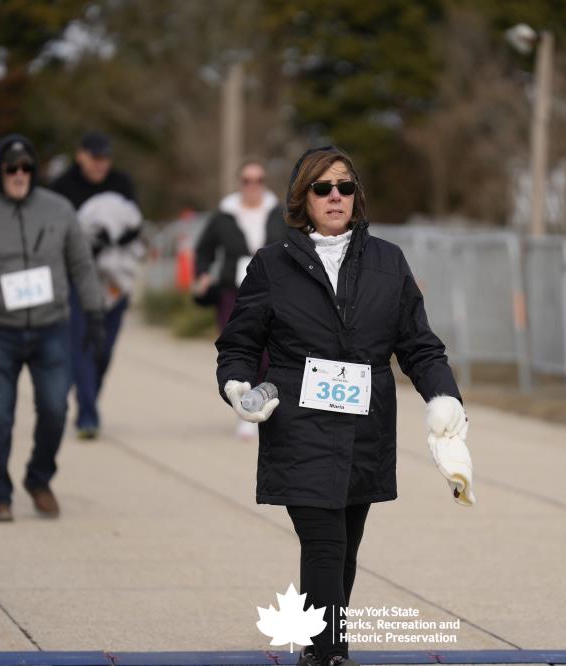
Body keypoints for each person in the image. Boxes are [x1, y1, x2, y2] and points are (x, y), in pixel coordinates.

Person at [215, 146, 476, 666]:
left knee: (345, 547)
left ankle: (320, 648)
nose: (335, 196)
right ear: (303, 198)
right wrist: (238, 385)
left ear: (356, 197)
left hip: (365, 428)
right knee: (324, 541)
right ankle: (329, 653)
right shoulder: (272, 265)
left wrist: (443, 395)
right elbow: (239, 343)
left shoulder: (388, 262)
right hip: (298, 422)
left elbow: (419, 346)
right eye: (322, 187)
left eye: (345, 187)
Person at [0, 134, 105, 522]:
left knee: (55, 410)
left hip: (52, 329)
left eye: (26, 167)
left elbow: (81, 265)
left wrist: (95, 314)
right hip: (1, 331)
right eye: (11, 168)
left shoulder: (59, 210)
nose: (19, 174)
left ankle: (38, 478)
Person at [51, 131, 141, 440]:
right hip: (77, 279)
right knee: (81, 343)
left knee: (104, 349)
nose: (101, 163)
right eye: (95, 157)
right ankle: (87, 415)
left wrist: (110, 238)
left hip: (115, 280)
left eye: (106, 157)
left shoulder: (121, 183)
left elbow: (135, 226)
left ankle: (87, 397)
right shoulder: (62, 187)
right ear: (81, 156)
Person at [195, 158, 287, 439]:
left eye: (258, 180)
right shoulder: (224, 215)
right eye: (247, 180)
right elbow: (204, 249)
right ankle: (245, 407)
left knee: (267, 352)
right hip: (232, 291)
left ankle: (260, 401)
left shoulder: (279, 213)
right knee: (239, 347)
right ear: (240, 183)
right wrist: (202, 275)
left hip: (271, 290)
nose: (253, 186)